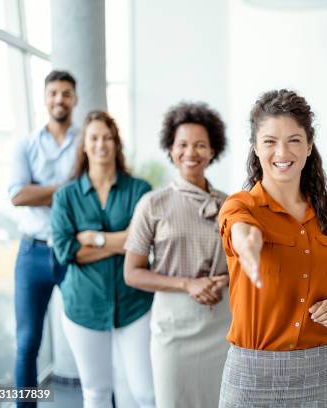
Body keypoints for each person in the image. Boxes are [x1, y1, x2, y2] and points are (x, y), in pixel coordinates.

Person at [217, 89, 327, 407]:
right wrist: (247, 241)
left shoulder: (325, 213)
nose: (282, 151)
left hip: (319, 374)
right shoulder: (242, 205)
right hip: (252, 377)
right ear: (255, 147)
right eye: (269, 141)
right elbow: (237, 227)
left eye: (293, 140)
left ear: (308, 146)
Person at [124, 102, 230, 407]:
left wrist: (224, 279)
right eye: (182, 144)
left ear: (213, 151)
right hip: (173, 328)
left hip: (221, 324)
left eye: (200, 145)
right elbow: (132, 273)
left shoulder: (232, 205)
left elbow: (247, 262)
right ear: (170, 149)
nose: (191, 152)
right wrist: (188, 284)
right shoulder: (152, 204)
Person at [51, 111, 154, 408]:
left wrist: (93, 239)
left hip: (133, 303)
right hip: (83, 306)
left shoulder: (140, 190)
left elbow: (143, 245)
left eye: (108, 138)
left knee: (146, 392)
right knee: (96, 392)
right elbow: (65, 251)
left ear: (116, 144)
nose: (101, 145)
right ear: (84, 145)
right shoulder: (65, 196)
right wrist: (122, 242)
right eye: (94, 138)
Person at [8, 70, 79, 405]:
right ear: (44, 97)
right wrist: (66, 189)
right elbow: (18, 196)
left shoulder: (85, 143)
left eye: (66, 93)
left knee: (89, 334)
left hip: (74, 254)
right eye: (53, 93)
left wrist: (43, 191)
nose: (59, 99)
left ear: (74, 99)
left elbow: (89, 194)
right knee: (27, 343)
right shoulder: (26, 144)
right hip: (32, 253)